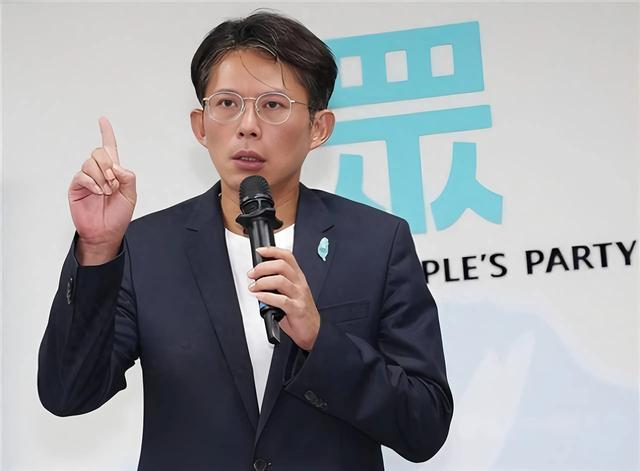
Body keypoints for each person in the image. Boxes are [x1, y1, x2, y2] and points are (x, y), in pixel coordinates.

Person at [38, 11, 453, 471]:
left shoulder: (376, 243)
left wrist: (321, 338)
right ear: (200, 125)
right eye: (227, 103)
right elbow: (67, 393)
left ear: (319, 128)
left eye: (273, 105)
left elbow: (425, 425)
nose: (247, 125)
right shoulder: (147, 248)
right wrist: (98, 250)